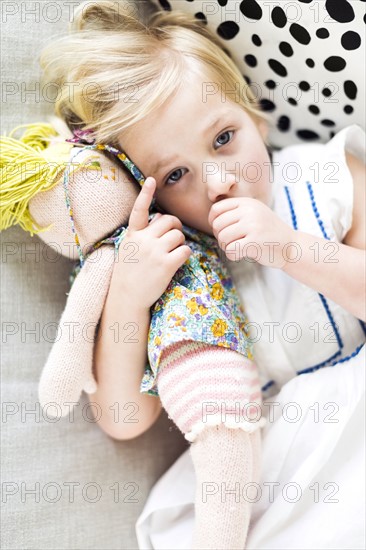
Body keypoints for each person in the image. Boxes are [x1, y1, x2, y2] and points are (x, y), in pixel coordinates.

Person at [38, 1, 365, 547]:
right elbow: (123, 418)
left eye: (223, 139)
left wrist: (288, 248)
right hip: (268, 467)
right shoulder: (171, 266)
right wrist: (129, 300)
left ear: (254, 116)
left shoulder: (325, 178)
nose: (217, 182)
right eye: (177, 174)